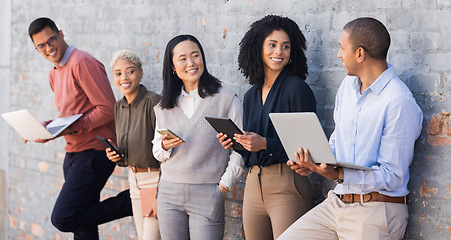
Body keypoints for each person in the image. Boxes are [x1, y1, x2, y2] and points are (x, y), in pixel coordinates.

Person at [278, 17, 423, 240]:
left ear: (359, 53)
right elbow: (339, 138)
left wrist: (337, 174)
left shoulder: (399, 102)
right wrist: (317, 162)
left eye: (341, 48)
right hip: (337, 203)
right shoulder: (348, 86)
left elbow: (392, 176)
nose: (338, 55)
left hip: (375, 211)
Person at [28, 17, 132, 240]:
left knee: (64, 217)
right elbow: (74, 112)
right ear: (36, 48)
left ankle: (134, 200)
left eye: (52, 39)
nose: (48, 47)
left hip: (95, 152)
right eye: (41, 45)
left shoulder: (82, 63)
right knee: (83, 228)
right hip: (73, 153)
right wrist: (49, 127)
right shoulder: (54, 73)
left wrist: (69, 129)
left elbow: (107, 109)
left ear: (61, 34)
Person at [218, 15, 316, 240]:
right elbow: (251, 148)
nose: (279, 52)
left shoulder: (297, 89)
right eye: (272, 45)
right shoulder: (251, 95)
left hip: (287, 183)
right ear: (258, 48)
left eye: (285, 46)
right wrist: (236, 143)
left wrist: (264, 144)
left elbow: (309, 149)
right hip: (253, 184)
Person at [152, 34, 245, 240]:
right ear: (173, 67)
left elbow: (240, 150)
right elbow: (157, 151)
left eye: (196, 55)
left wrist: (222, 188)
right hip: (168, 193)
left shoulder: (226, 99)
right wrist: (165, 146)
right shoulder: (163, 107)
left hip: (208, 192)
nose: (191, 63)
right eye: (183, 58)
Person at [105, 50, 161, 240]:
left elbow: (167, 149)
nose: (124, 78)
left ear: (140, 72)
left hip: (155, 180)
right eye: (118, 73)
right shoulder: (118, 106)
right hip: (134, 181)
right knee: (142, 236)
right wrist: (117, 157)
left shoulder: (154, 102)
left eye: (130, 71)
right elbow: (127, 152)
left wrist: (161, 187)